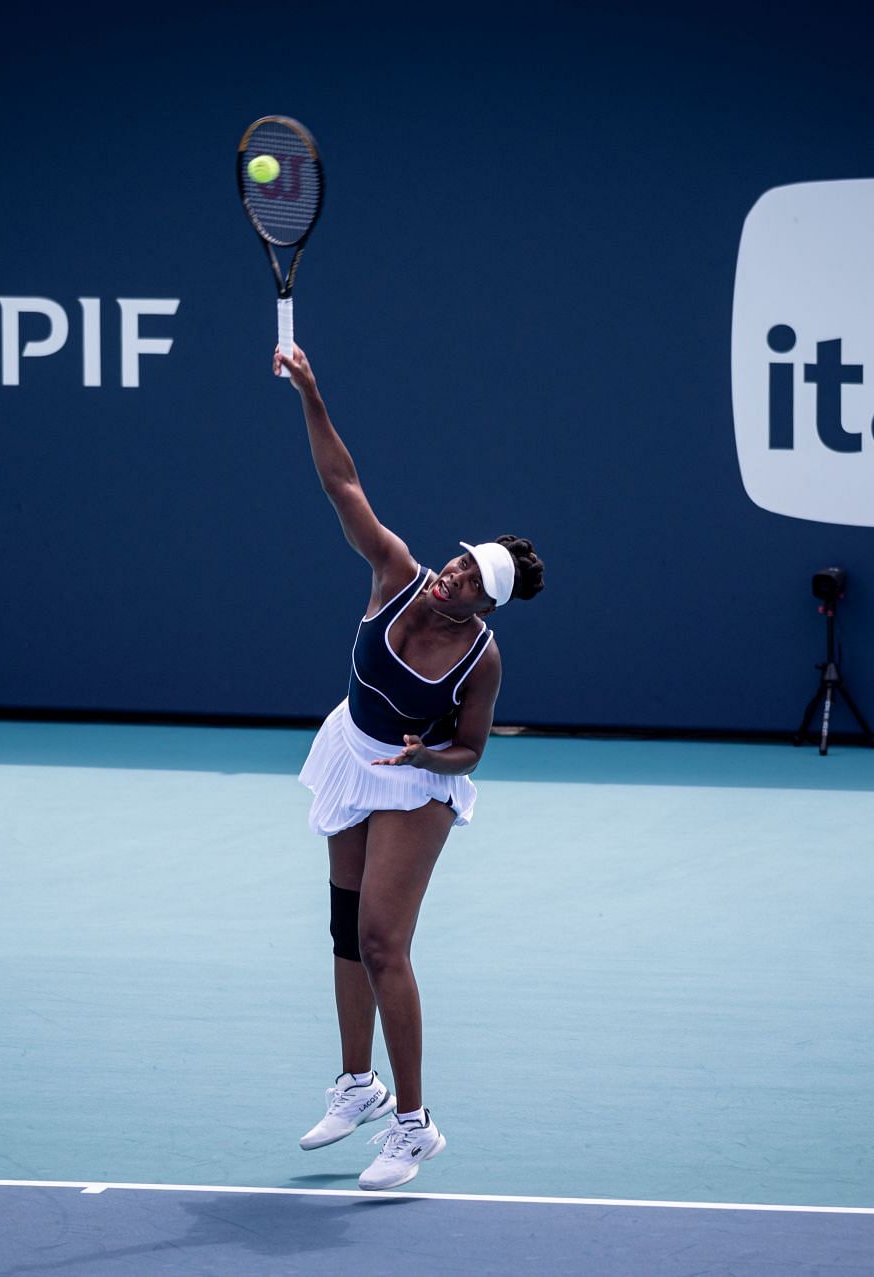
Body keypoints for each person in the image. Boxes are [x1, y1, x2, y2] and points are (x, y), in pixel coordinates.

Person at [276, 342, 545, 1191]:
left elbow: (475, 749)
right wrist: (312, 393)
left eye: (469, 579)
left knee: (386, 943)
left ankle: (414, 1125)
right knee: (344, 932)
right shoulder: (397, 572)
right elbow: (342, 486)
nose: (452, 574)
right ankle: (356, 1084)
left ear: (485, 606)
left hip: (417, 782)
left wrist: (434, 752)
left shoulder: (482, 660)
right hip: (352, 752)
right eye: (459, 560)